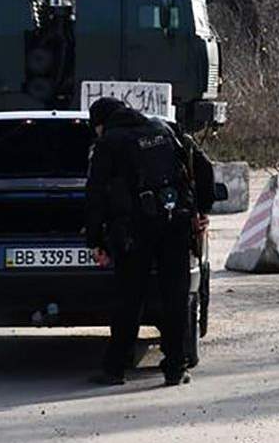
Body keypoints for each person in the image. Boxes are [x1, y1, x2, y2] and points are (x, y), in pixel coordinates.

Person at [84, 97, 214, 386]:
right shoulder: (164, 129)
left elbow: (95, 194)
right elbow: (204, 167)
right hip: (175, 224)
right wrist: (202, 211)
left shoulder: (109, 142)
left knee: (129, 298)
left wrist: (95, 240)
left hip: (134, 230)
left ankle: (116, 369)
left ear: (101, 124)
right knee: (176, 297)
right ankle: (176, 368)